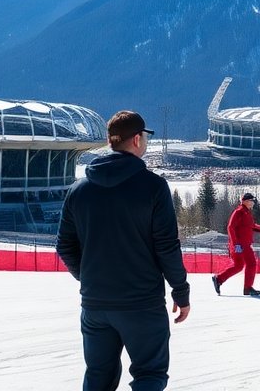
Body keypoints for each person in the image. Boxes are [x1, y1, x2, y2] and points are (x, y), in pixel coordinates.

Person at [56, 110, 191, 391]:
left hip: (95, 305)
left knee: (98, 375)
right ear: (137, 139)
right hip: (141, 303)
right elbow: (166, 246)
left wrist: (90, 277)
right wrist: (180, 291)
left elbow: (65, 245)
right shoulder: (153, 187)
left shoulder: (79, 189)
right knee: (149, 375)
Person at [215, 192, 260, 296]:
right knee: (251, 263)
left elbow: (251, 226)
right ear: (245, 201)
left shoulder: (246, 212)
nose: (253, 203)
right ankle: (248, 288)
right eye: (251, 200)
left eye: (253, 201)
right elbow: (230, 227)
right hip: (241, 245)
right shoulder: (239, 212)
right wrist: (235, 244)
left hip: (242, 245)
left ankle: (218, 279)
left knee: (238, 266)